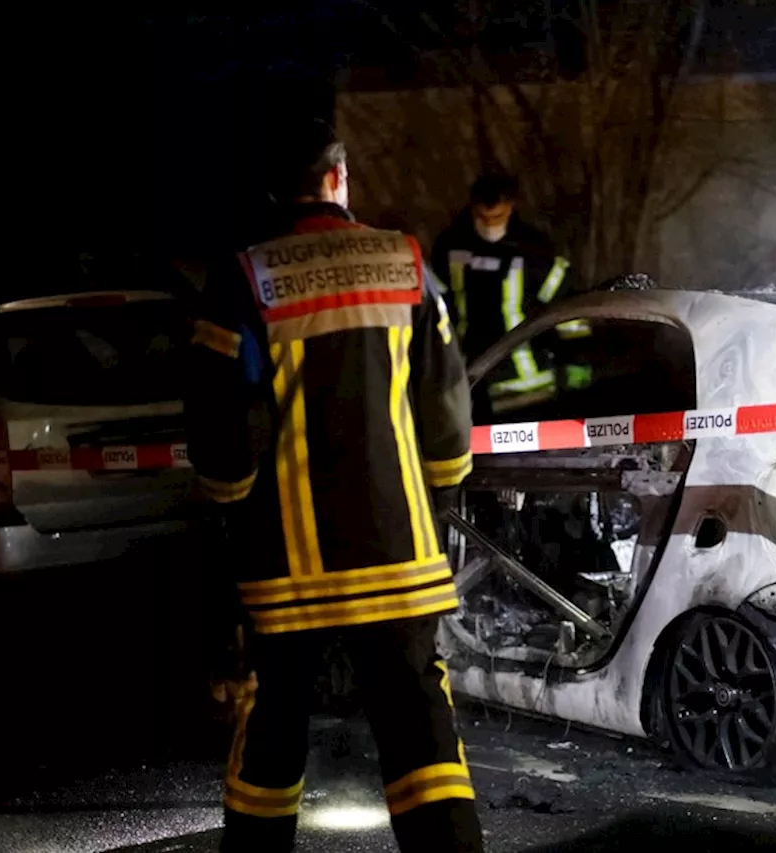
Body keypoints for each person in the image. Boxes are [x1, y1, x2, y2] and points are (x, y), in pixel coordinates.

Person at [184, 118, 484, 853]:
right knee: (421, 734)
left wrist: (232, 516)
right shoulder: (407, 263)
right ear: (338, 179)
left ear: (273, 191)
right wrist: (437, 501)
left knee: (274, 735)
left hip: (287, 570)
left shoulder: (243, 278)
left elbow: (217, 430)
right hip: (400, 559)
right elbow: (446, 417)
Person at [429, 173, 590, 418]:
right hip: (472, 383)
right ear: (472, 208)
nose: (490, 224)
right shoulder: (450, 247)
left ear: (511, 207)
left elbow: (568, 308)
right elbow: (435, 307)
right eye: (483, 217)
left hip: (528, 390)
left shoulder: (533, 251)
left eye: (498, 217)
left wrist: (577, 359)